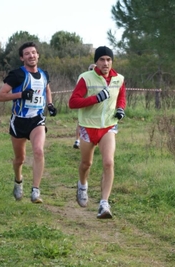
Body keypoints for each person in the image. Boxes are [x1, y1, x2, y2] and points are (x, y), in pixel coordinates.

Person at [0, 41, 57, 204]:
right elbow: (0, 97)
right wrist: (21, 95)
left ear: (38, 55)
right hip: (19, 121)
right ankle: (18, 180)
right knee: (20, 159)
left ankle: (35, 190)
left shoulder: (44, 74)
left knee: (38, 151)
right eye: (27, 53)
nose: (31, 55)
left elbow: (46, 88)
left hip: (37, 119)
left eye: (34, 52)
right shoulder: (17, 75)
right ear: (22, 58)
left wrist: (50, 104)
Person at [69, 46, 126, 219]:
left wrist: (121, 109)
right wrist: (95, 99)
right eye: (102, 59)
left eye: (108, 59)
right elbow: (73, 102)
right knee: (86, 164)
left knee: (109, 162)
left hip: (108, 126)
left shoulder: (119, 79)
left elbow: (121, 97)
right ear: (96, 61)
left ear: (112, 62)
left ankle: (104, 203)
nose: (105, 63)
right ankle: (82, 185)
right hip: (87, 127)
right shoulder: (85, 78)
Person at [73, 63, 97, 149]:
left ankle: (94, 141)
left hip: (95, 105)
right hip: (84, 103)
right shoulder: (83, 77)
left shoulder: (98, 79)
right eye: (91, 69)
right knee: (80, 122)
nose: (92, 71)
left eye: (94, 69)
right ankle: (77, 140)